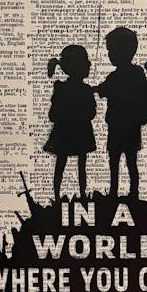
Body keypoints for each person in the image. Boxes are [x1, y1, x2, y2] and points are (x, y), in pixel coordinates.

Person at [95, 26, 147, 198]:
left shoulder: (119, 76)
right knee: (127, 160)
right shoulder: (135, 73)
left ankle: (120, 192)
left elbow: (103, 89)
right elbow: (103, 89)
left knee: (119, 160)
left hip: (121, 125)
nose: (109, 55)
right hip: (126, 125)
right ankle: (126, 192)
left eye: (111, 51)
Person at [44, 44, 96, 199]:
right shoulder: (85, 90)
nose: (90, 64)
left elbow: (53, 114)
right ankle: (79, 194)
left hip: (65, 131)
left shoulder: (62, 88)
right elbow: (91, 113)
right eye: (86, 61)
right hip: (79, 132)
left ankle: (59, 195)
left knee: (63, 162)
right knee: (80, 163)